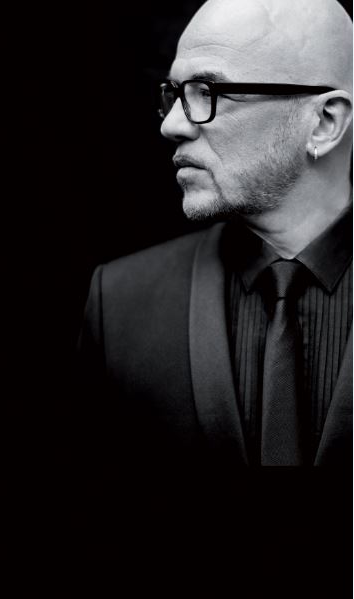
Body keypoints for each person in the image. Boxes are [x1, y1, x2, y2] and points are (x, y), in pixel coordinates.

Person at [78, 0, 352, 467]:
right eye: (174, 93)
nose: (171, 125)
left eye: (208, 92)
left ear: (325, 123)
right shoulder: (119, 304)